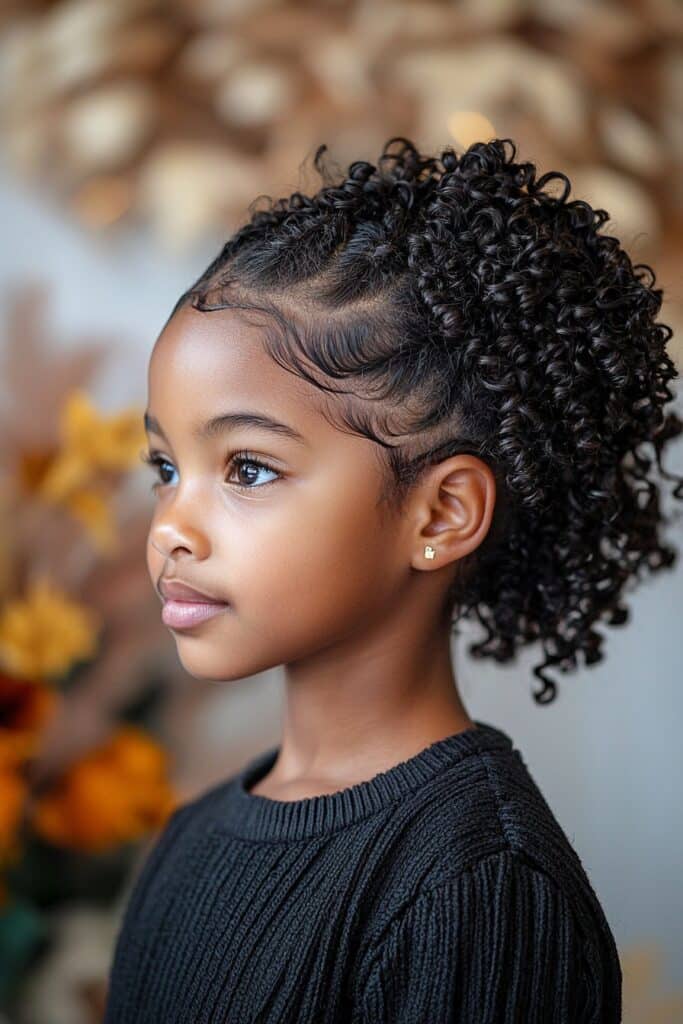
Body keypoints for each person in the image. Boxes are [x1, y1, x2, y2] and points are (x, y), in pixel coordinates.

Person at [103, 136, 683, 1022]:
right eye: (165, 467)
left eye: (248, 469)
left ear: (441, 514)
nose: (171, 528)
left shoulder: (482, 892)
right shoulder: (191, 837)